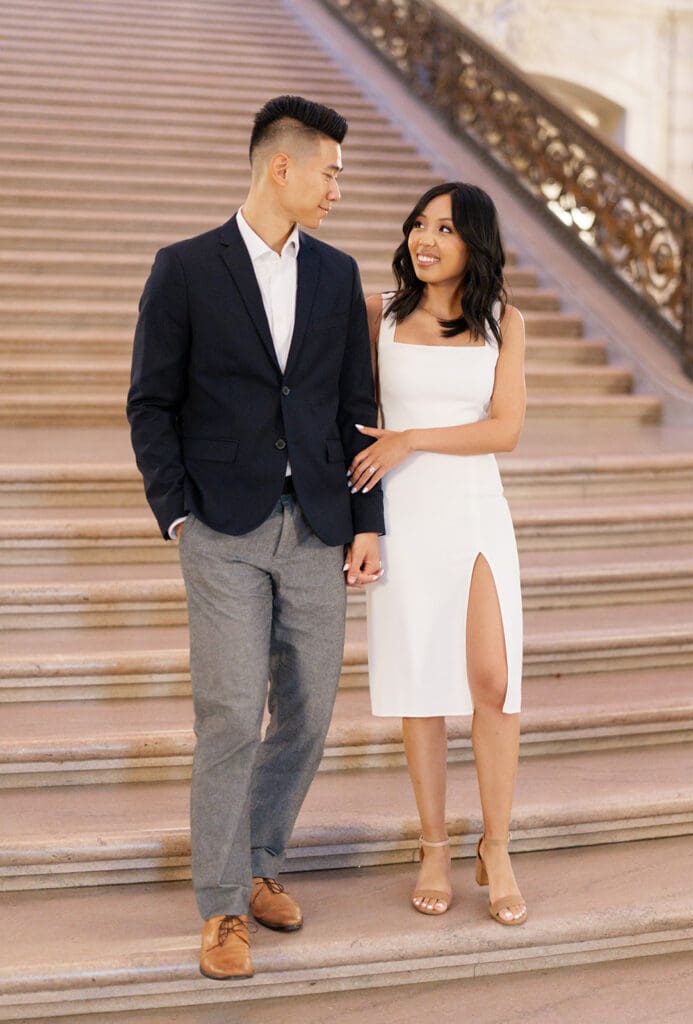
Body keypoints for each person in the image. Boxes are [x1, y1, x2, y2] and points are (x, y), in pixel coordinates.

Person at [127, 95, 384, 980]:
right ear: (283, 166)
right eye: (331, 171)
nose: (337, 189)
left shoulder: (337, 275)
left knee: (308, 711)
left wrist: (367, 525)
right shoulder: (186, 268)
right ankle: (222, 904)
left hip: (318, 525)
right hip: (223, 529)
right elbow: (150, 402)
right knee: (232, 711)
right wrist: (178, 512)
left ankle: (262, 858)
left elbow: (358, 411)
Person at [351, 182, 527, 925]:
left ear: (473, 243)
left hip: (476, 509)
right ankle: (431, 845)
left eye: (445, 228)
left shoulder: (502, 322)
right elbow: (357, 423)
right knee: (421, 685)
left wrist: (412, 438)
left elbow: (504, 429)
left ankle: (496, 845)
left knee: (493, 679)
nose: (426, 239)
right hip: (403, 514)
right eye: (419, 225)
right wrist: (361, 522)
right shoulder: (378, 317)